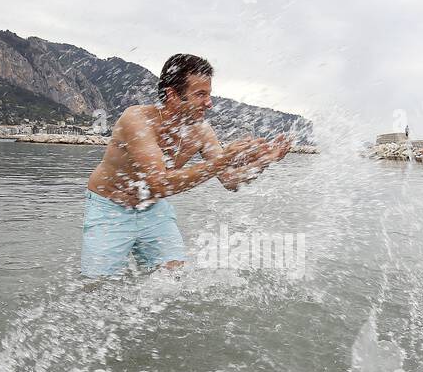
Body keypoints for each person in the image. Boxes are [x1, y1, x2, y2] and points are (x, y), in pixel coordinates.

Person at [80, 53, 292, 277]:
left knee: (173, 281)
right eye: (200, 95)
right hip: (110, 208)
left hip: (154, 210)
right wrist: (223, 160)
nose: (209, 103)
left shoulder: (201, 131)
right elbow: (159, 183)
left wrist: (266, 160)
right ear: (172, 95)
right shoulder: (137, 120)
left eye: (209, 94)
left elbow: (230, 180)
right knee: (98, 288)